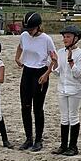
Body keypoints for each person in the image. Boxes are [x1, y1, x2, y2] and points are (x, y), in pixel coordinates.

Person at [14, 12, 56, 152]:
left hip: (40, 72)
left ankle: (38, 139)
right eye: (28, 29)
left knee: (37, 108)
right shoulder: (24, 36)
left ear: (38, 27)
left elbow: (54, 58)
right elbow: (20, 47)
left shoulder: (46, 39)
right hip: (27, 71)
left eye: (31, 29)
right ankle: (28, 138)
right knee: (25, 106)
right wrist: (17, 58)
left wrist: (47, 73)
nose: (29, 32)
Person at [51, 25, 81, 156]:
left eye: (68, 36)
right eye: (64, 37)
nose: (65, 39)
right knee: (64, 117)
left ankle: (73, 146)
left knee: (73, 116)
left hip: (74, 89)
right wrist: (54, 63)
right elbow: (57, 72)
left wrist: (71, 61)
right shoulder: (60, 52)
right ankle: (63, 145)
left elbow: (77, 73)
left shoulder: (80, 53)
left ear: (76, 38)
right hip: (62, 88)